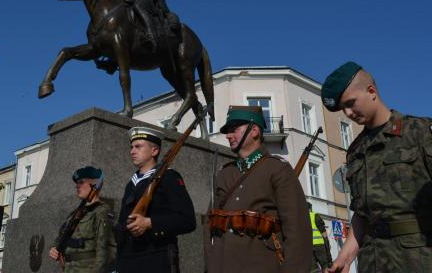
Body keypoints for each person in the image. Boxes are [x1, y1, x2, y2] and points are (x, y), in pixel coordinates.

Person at [321, 62, 432, 273]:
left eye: (351, 103)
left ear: (371, 91)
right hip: (372, 262)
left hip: (419, 260)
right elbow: (362, 214)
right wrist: (344, 259)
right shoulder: (356, 150)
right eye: (343, 108)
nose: (348, 113)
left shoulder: (420, 132)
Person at [205, 105, 312, 273]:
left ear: (254, 130)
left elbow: (297, 231)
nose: (228, 136)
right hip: (222, 265)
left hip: (262, 265)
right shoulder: (225, 173)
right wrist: (211, 264)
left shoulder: (277, 169)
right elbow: (209, 225)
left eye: (234, 129)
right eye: (228, 131)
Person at [116, 127, 196, 273]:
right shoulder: (131, 184)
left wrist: (149, 223)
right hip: (127, 261)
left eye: (138, 146)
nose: (132, 151)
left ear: (154, 151)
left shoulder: (169, 177)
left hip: (156, 260)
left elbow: (187, 220)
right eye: (132, 147)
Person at [48, 166, 117, 272]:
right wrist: (54, 248)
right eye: (77, 183)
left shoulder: (102, 211)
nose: (77, 186)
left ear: (94, 185)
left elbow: (107, 251)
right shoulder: (74, 214)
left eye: (81, 182)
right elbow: (61, 238)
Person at [308, 202, 332, 272]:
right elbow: (324, 233)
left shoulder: (301, 218)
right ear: (310, 209)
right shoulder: (315, 216)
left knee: (313, 268)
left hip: (308, 247)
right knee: (325, 265)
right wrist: (327, 243)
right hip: (319, 245)